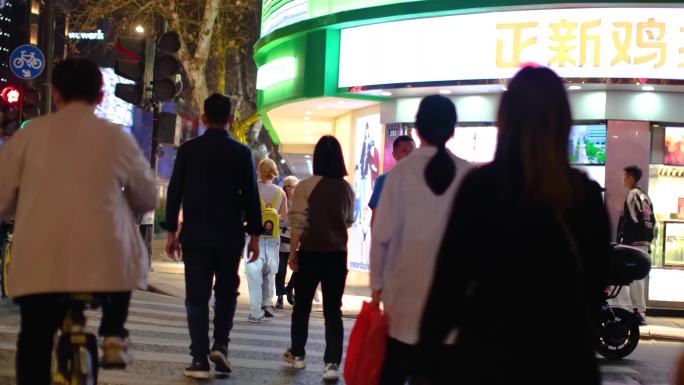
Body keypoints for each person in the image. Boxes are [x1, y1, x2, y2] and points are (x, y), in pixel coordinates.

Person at [419, 67, 611, 385]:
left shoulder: (482, 188)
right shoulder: (583, 196)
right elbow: (592, 289)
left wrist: (427, 358)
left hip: (488, 360)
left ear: (505, 118)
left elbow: (448, 288)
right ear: (563, 121)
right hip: (564, 363)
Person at [0, 57, 158, 385]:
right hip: (106, 267)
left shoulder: (29, 136)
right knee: (121, 243)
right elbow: (147, 197)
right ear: (101, 97)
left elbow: (2, 198)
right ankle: (113, 332)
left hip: (41, 265)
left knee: (34, 341)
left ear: (55, 94)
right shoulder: (116, 137)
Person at [370, 95, 472, 385]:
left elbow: (381, 237)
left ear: (417, 130)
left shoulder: (396, 176)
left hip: (402, 303)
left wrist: (377, 287)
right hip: (452, 307)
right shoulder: (468, 174)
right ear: (452, 131)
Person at [164, 93, 262, 379]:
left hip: (195, 235)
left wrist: (171, 231)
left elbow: (174, 193)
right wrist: (254, 234)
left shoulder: (188, 151)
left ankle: (199, 360)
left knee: (196, 297)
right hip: (230, 235)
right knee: (227, 291)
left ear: (204, 119)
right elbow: (250, 197)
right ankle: (221, 343)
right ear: (231, 119)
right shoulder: (242, 153)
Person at [283, 135, 355, 382]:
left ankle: (298, 354)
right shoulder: (346, 188)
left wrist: (293, 254)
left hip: (311, 253)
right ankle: (332, 363)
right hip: (337, 256)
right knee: (333, 311)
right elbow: (348, 222)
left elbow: (298, 225)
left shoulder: (304, 186)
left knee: (301, 307)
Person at [245, 159, 286, 323]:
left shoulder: (253, 189)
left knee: (254, 274)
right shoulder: (280, 192)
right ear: (274, 171)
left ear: (259, 171)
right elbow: (283, 217)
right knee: (268, 272)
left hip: (255, 236)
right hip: (273, 238)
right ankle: (266, 304)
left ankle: (255, 311)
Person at [615, 165, 655, 325]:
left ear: (631, 177)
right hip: (644, 241)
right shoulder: (645, 196)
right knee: (639, 278)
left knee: (631, 277)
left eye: (624, 176)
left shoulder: (632, 195)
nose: (622, 179)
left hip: (634, 241)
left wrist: (624, 240)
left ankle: (635, 312)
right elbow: (653, 220)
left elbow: (632, 219)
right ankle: (638, 311)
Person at [368, 135, 415, 227]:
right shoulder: (383, 180)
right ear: (394, 155)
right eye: (405, 151)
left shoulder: (422, 180)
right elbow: (376, 217)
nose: (410, 155)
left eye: (413, 151)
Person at [276, 175, 299, 308]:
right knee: (280, 269)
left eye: (295, 186)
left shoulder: (300, 201)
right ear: (286, 187)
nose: (293, 189)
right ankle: (280, 296)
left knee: (298, 268)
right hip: (281, 237)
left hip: (295, 240)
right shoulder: (280, 199)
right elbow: (281, 219)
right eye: (291, 186)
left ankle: (289, 289)